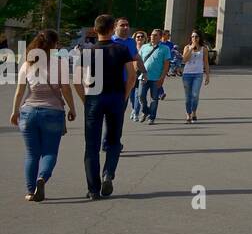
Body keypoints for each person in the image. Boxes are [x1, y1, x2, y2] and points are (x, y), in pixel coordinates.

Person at [9, 30, 77, 202]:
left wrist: (15, 111)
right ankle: (43, 177)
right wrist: (72, 108)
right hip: (53, 112)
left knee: (32, 154)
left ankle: (31, 191)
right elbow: (66, 89)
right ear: (54, 45)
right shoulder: (60, 63)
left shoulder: (28, 64)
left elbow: (20, 91)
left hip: (28, 112)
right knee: (50, 152)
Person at [76, 14, 137, 199]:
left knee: (91, 145)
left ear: (95, 30)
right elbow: (132, 75)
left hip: (94, 98)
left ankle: (93, 189)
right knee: (113, 140)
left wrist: (85, 100)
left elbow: (77, 80)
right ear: (112, 29)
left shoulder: (87, 52)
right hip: (115, 97)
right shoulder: (121, 49)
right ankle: (108, 173)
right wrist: (124, 95)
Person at [137, 30, 170, 124]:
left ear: (160, 37)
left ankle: (152, 117)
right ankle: (145, 111)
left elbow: (166, 65)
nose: (152, 36)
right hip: (144, 76)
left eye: (155, 35)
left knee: (154, 98)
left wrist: (162, 78)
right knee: (140, 96)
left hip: (156, 78)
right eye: (151, 35)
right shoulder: (144, 47)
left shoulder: (165, 48)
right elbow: (138, 60)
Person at [181, 32, 211, 124]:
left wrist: (207, 75)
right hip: (187, 74)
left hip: (198, 74)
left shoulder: (204, 49)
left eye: (196, 36)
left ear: (199, 38)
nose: (194, 38)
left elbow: (206, 62)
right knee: (187, 97)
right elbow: (184, 60)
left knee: (195, 95)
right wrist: (190, 49)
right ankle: (188, 114)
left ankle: (194, 112)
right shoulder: (187, 47)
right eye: (193, 37)